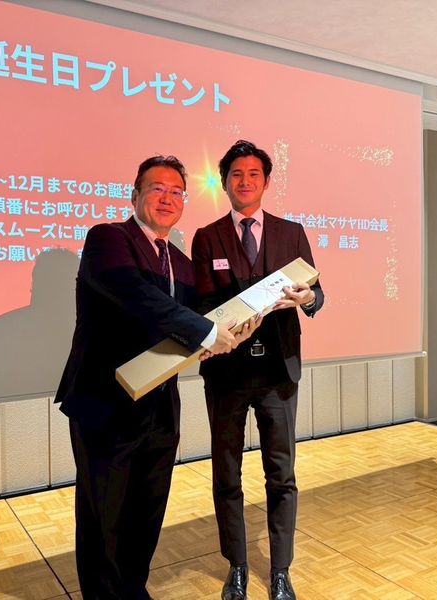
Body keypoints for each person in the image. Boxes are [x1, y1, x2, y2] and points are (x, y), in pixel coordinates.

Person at [55, 155, 258, 600]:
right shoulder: (108, 239)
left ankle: (133, 589)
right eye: (157, 189)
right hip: (106, 403)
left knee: (147, 510)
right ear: (136, 195)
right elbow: (137, 297)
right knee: (103, 514)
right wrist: (208, 332)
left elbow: (200, 318)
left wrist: (245, 319)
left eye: (176, 192)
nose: (167, 199)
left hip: (161, 404)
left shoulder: (181, 263)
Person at [192, 140, 325, 600]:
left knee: (281, 474)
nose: (244, 182)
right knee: (226, 474)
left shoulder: (292, 232)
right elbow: (201, 303)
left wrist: (309, 298)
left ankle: (281, 569)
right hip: (226, 374)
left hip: (278, 374)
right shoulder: (207, 237)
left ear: (266, 182)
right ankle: (237, 565)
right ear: (224, 183)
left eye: (253, 174)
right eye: (236, 174)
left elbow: (315, 292)